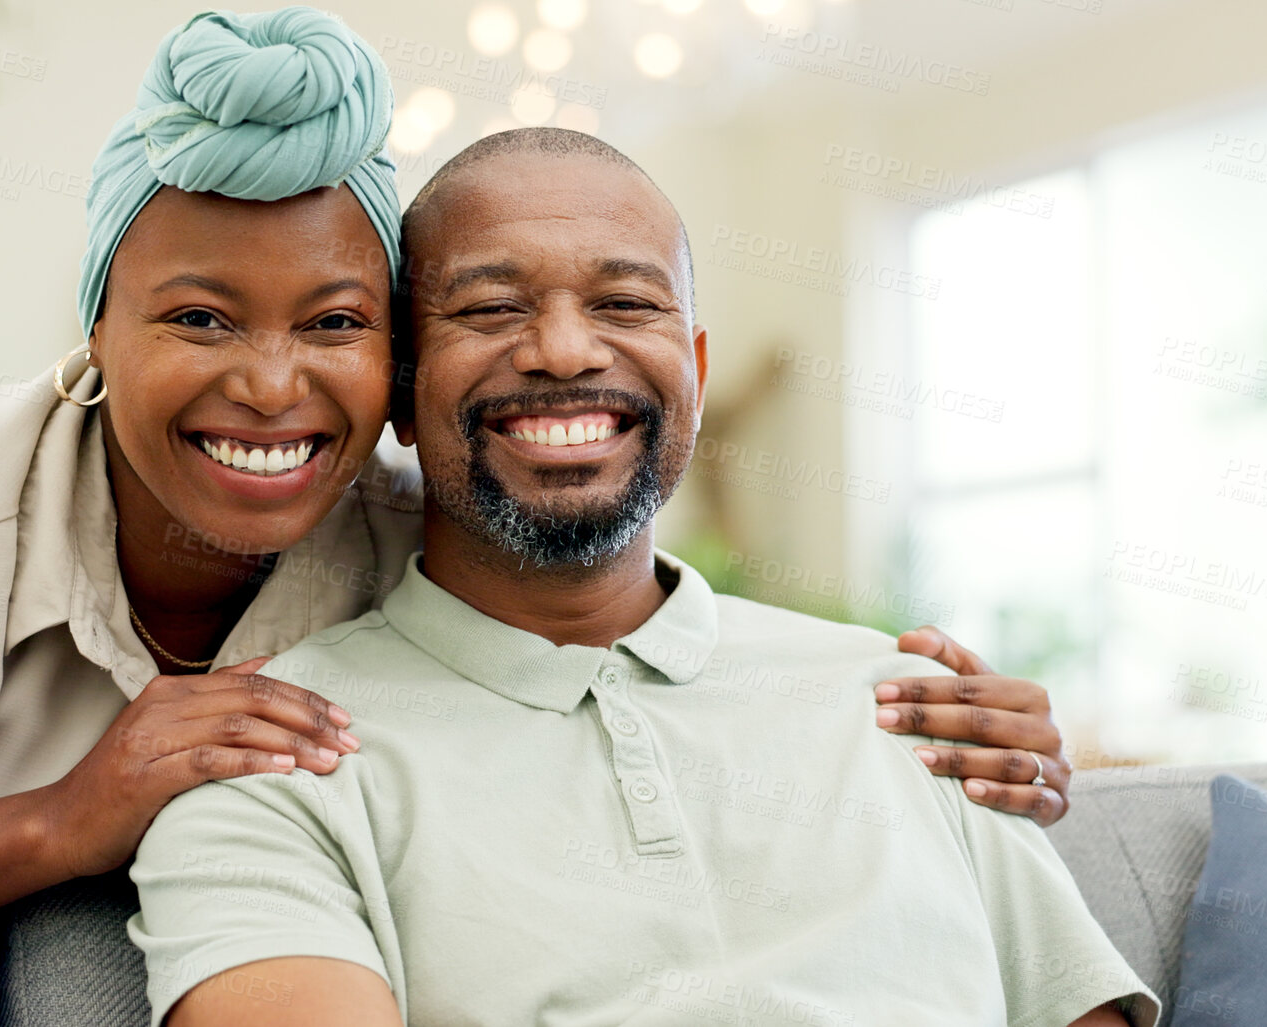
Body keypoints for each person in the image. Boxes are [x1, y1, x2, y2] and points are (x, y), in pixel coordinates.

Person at [0, 9, 1071, 954]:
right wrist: (63, 819)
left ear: (402, 367)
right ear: (93, 332)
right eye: (196, 316)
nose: (274, 384)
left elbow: (632, 655)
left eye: (337, 324)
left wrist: (925, 719)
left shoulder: (413, 516)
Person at [126, 129, 1157, 1027]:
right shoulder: (270, 764)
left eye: (624, 300)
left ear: (697, 376)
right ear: (399, 391)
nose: (566, 350)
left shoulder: (916, 708)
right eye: (490, 308)